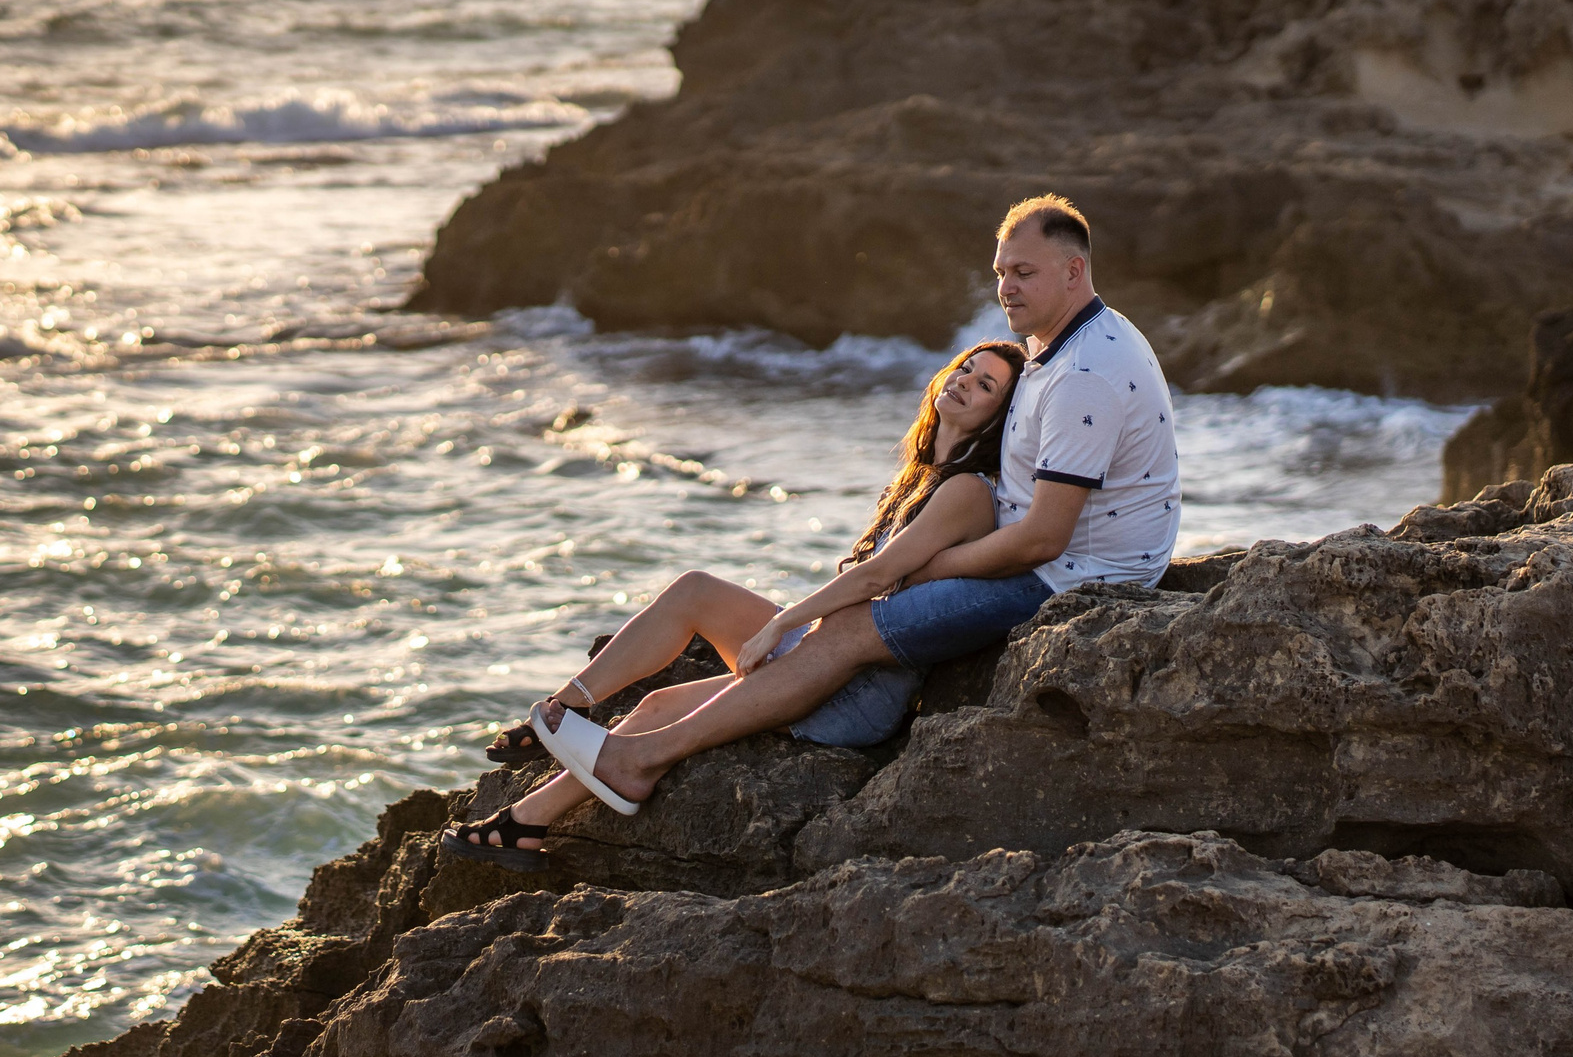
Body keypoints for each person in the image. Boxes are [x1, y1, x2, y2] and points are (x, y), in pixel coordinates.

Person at [443, 193, 1180, 866]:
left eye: (1024, 271)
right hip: (1054, 560)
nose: (1006, 287)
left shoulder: (1082, 371)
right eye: (999, 272)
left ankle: (630, 759)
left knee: (857, 623)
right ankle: (539, 802)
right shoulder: (1049, 355)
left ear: (1074, 270)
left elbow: (1043, 537)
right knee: (713, 631)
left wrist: (923, 571)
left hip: (1074, 578)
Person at [443, 337, 1023, 867]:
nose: (965, 380)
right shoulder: (921, 473)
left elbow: (876, 579)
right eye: (965, 367)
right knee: (691, 603)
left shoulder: (968, 492)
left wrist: (779, 626)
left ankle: (531, 806)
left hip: (859, 688)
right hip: (823, 648)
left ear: (999, 418)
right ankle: (553, 746)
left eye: (986, 385)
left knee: (661, 707)